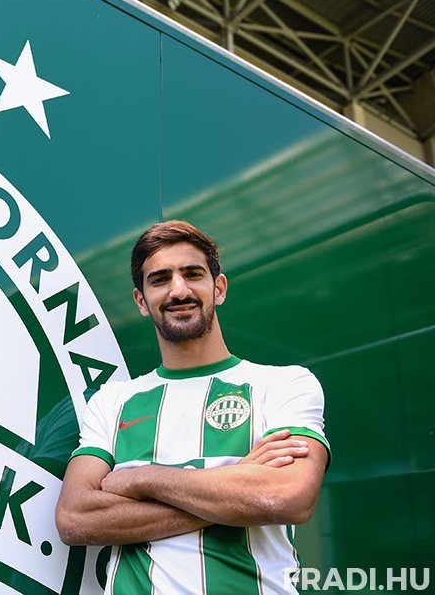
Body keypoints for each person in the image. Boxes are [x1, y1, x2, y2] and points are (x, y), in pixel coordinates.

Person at [55, 220, 330, 594]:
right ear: (141, 301)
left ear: (219, 288)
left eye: (193, 274)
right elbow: (75, 518)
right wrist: (236, 483)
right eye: (160, 280)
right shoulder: (112, 401)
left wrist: (143, 479)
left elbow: (288, 496)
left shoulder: (284, 384)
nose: (178, 290)